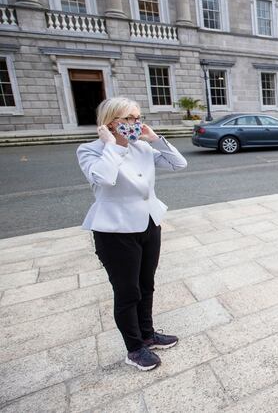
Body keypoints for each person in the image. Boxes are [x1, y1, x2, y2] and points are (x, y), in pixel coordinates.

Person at [77, 97, 187, 371]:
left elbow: (179, 164)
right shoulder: (91, 150)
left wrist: (156, 139)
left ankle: (148, 335)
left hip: (149, 222)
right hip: (115, 231)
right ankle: (134, 348)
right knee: (127, 291)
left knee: (146, 284)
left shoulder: (142, 147)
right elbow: (103, 178)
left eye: (137, 118)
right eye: (127, 119)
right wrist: (113, 146)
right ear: (110, 122)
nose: (135, 123)